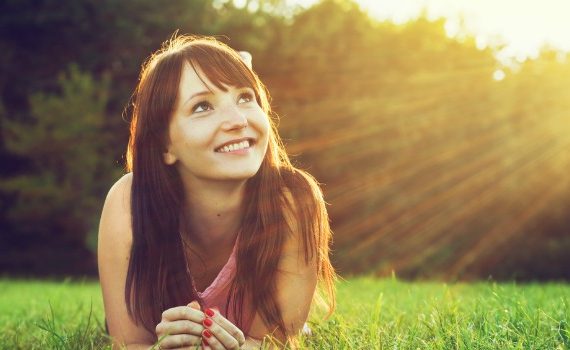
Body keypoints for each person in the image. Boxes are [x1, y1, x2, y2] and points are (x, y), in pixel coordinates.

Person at [98, 34, 336, 349]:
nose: (238, 121)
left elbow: (274, 342)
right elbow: (129, 344)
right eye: (202, 106)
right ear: (165, 145)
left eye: (245, 97)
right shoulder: (127, 203)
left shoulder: (293, 200)